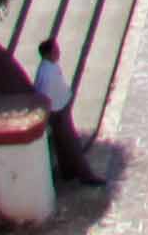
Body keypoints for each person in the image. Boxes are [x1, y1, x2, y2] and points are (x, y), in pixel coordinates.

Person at [33, 39, 103, 185]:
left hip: (61, 107)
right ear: (48, 54)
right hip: (57, 112)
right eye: (55, 50)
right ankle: (86, 176)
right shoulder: (46, 74)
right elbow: (44, 95)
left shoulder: (50, 66)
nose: (58, 52)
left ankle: (67, 172)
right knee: (72, 144)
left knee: (62, 144)